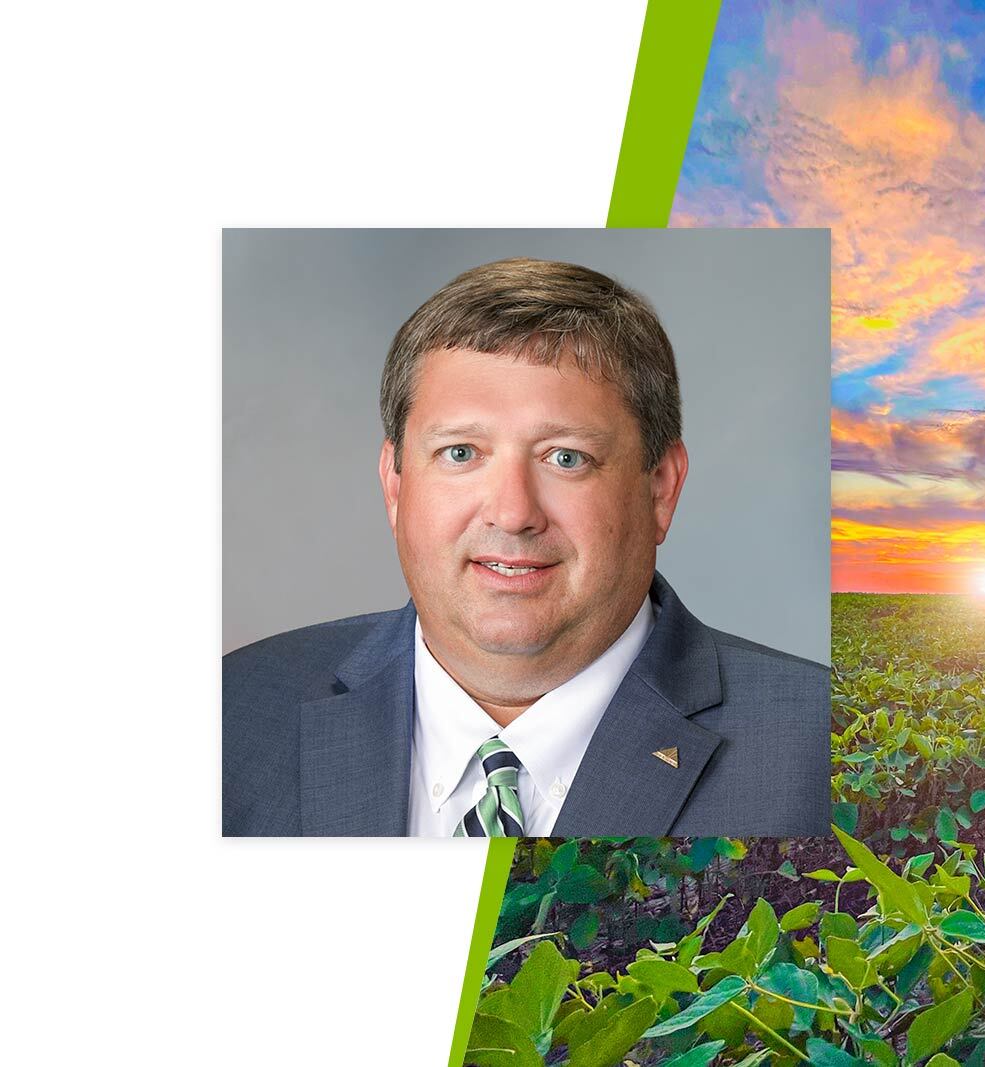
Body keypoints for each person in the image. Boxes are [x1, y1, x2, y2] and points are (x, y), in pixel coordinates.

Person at [223, 258, 830, 837]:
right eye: (460, 453)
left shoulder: (823, 748)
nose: (513, 513)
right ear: (395, 482)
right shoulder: (233, 717)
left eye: (566, 458)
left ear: (660, 489)